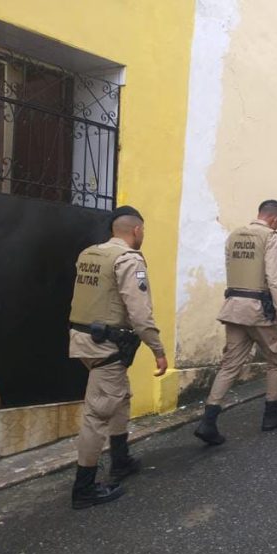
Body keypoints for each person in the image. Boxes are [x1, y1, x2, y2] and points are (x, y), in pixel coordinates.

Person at [68, 206, 168, 509]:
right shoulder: (128, 260)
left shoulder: (90, 253)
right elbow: (140, 313)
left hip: (84, 338)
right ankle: (83, 488)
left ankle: (121, 459)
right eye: (144, 231)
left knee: (120, 396)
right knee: (97, 413)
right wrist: (158, 350)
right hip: (107, 345)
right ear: (136, 231)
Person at [194, 200, 277, 447]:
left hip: (233, 307)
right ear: (275, 220)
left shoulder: (234, 235)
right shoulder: (270, 237)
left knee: (229, 365)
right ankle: (271, 414)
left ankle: (209, 420)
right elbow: (275, 279)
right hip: (259, 310)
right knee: (276, 360)